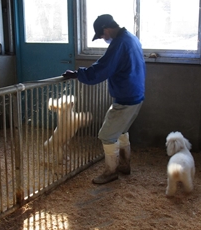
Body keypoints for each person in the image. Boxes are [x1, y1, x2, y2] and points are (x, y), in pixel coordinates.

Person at [62, 14, 146, 184]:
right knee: (121, 131)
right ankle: (124, 165)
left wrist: (78, 74)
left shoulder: (119, 43)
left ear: (106, 29)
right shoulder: (131, 38)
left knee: (106, 135)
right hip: (136, 94)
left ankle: (111, 172)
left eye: (101, 35)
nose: (102, 39)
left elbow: (102, 68)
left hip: (126, 97)